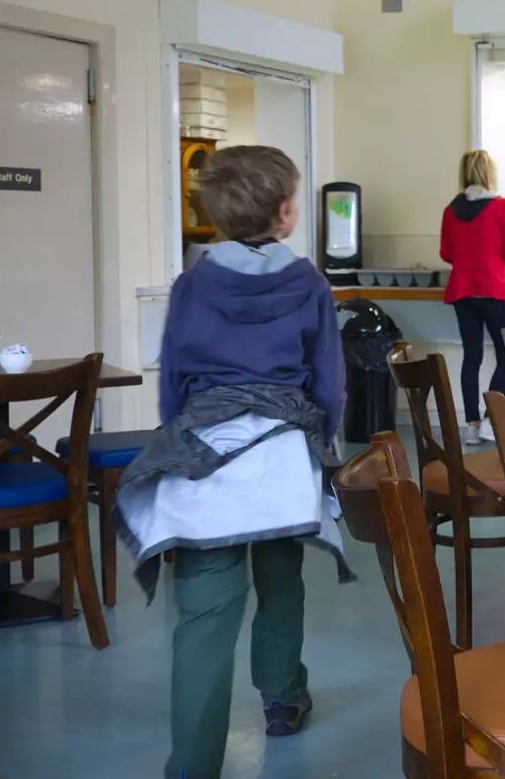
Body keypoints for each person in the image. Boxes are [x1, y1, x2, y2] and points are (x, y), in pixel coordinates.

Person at [115, 145, 349, 779]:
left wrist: (179, 441)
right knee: (281, 582)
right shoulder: (309, 284)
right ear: (284, 212)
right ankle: (282, 697)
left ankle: (192, 765)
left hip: (205, 458)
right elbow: (328, 382)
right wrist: (323, 452)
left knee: (204, 616)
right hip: (280, 455)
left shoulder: (193, 284)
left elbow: (175, 381)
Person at [441, 150, 505, 445]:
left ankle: (472, 425)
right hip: (495, 290)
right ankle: (491, 420)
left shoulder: (451, 210)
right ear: (489, 173)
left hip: (463, 291)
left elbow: (446, 253)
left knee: (471, 357)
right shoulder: (500, 206)